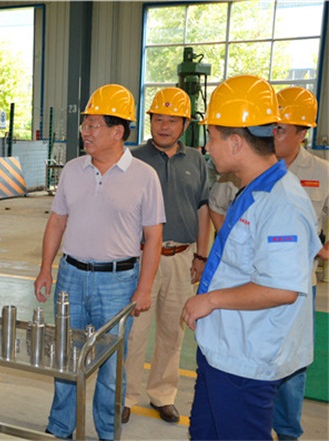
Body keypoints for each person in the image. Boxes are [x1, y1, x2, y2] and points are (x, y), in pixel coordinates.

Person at [182, 75, 321, 440]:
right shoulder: (252, 189)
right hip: (224, 350)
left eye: (211, 136)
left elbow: (281, 289)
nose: (207, 146)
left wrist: (209, 300)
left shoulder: (281, 203)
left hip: (247, 361)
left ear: (236, 142)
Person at [33, 84, 165, 441]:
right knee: (65, 355)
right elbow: (57, 221)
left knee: (111, 366)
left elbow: (153, 238)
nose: (85, 132)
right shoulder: (72, 170)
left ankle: (107, 431)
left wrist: (144, 288)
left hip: (118, 282)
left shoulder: (144, 176)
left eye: (93, 125)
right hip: (71, 276)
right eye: (85, 124)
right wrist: (46, 269)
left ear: (117, 131)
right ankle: (61, 427)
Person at [123, 87, 210, 424]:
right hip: (142, 257)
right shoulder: (132, 159)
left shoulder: (196, 161)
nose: (164, 126)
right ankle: (126, 395)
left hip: (182, 257)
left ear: (185, 124)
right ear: (150, 121)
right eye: (158, 119)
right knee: (135, 331)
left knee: (173, 331)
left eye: (172, 120)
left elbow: (202, 209)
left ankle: (163, 394)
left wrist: (201, 255)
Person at [272, 86, 329, 441]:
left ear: (302, 132)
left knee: (294, 362)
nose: (273, 134)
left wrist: (324, 249)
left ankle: (288, 432)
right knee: (258, 355)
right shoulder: (254, 165)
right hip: (256, 283)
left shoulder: (322, 171)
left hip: (300, 285)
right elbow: (219, 205)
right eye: (271, 126)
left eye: (280, 129)